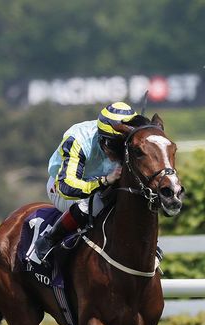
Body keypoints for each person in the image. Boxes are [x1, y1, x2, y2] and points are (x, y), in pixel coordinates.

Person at [27, 101, 137, 265]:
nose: (118, 152)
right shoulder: (78, 139)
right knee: (95, 203)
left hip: (106, 186)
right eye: (114, 145)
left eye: (123, 144)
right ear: (102, 138)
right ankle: (48, 241)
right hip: (62, 187)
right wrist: (105, 181)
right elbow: (67, 187)